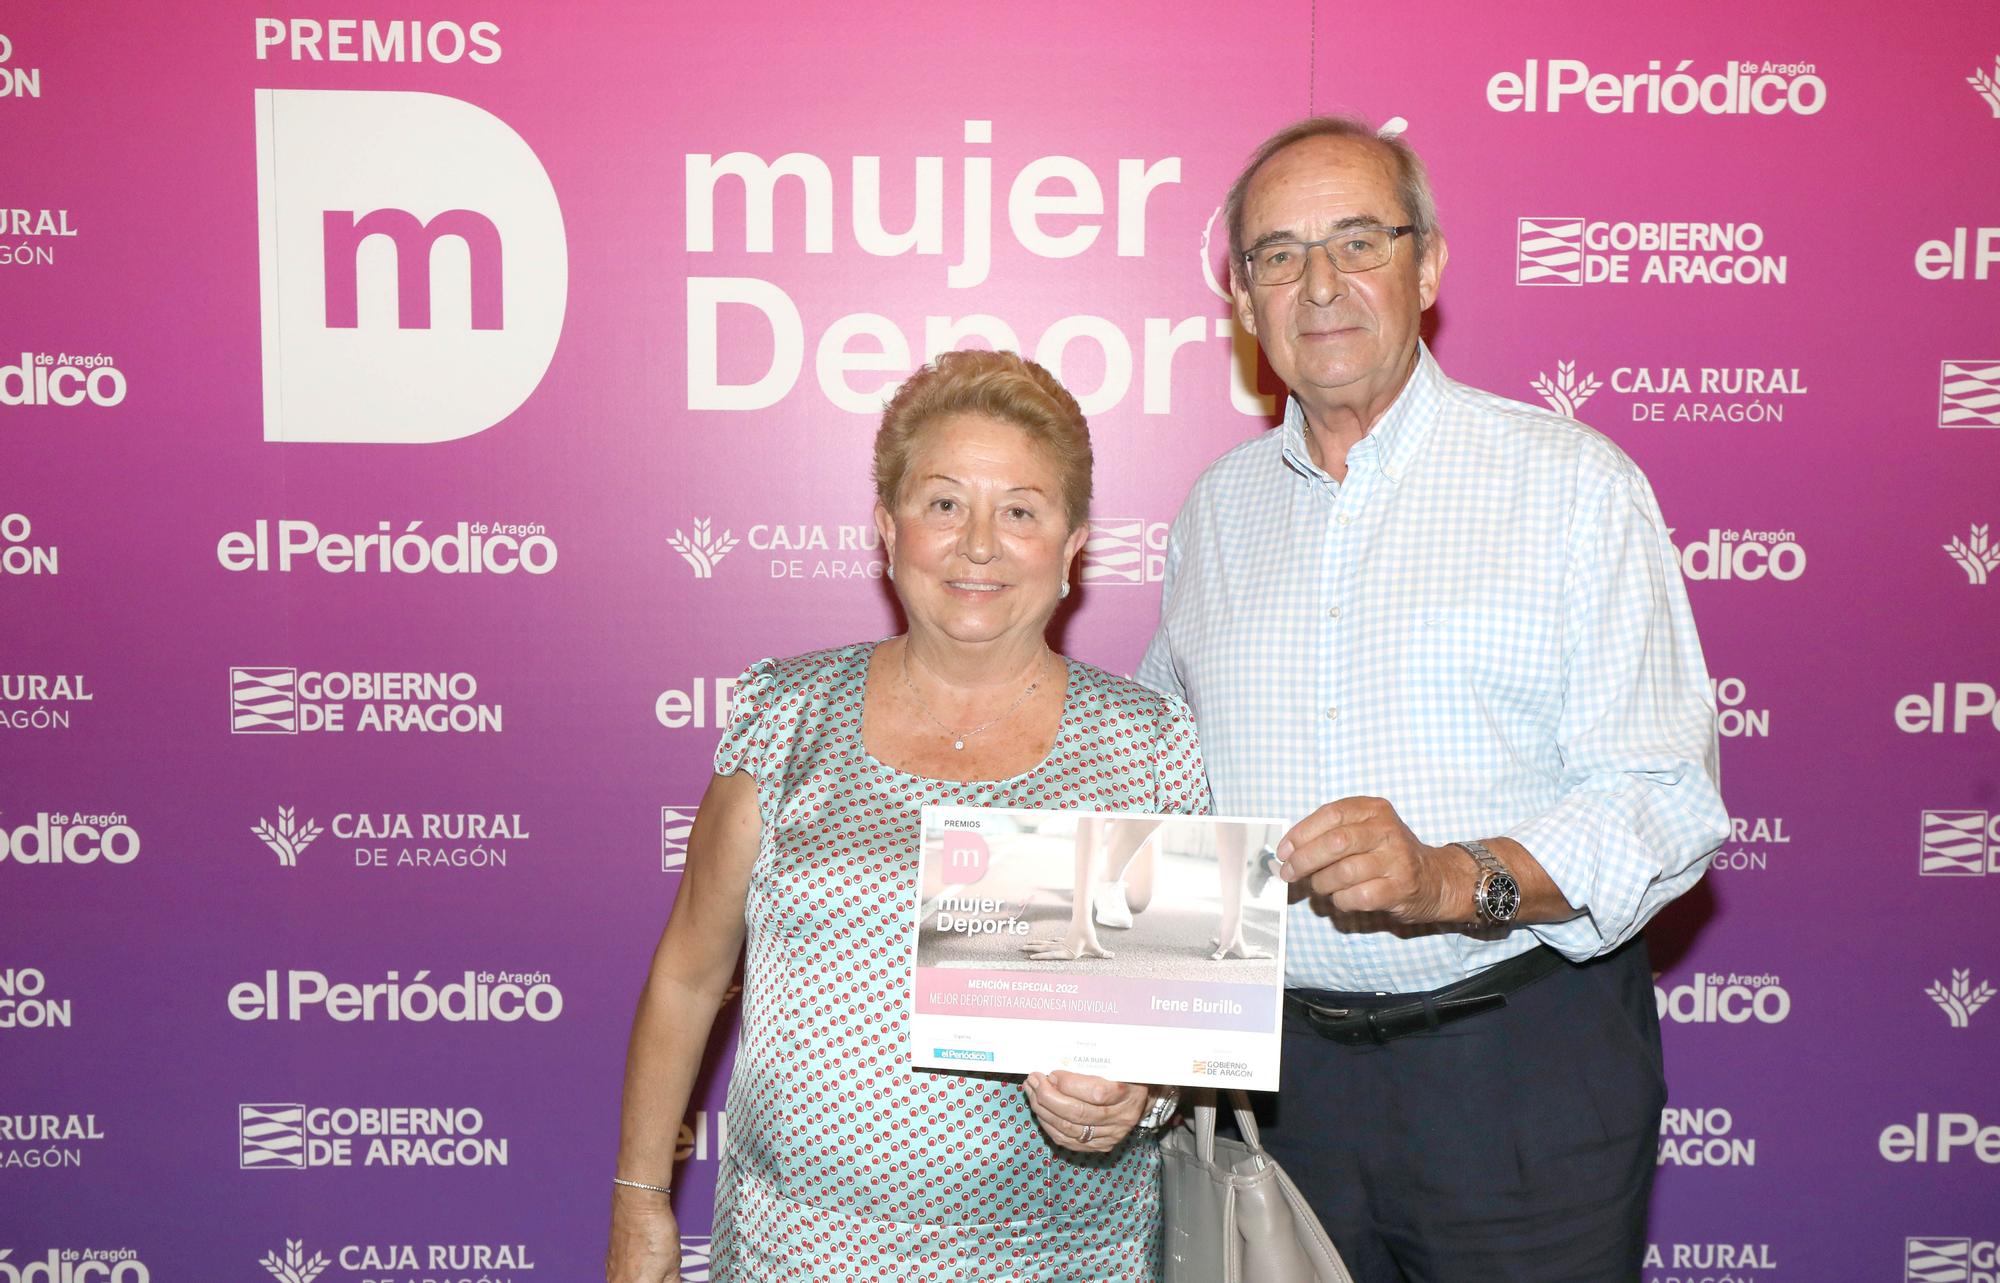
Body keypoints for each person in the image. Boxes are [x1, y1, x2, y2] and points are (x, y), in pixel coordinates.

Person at [1138, 116, 1729, 1280]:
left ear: (1429, 265)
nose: (1318, 284)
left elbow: (1665, 800)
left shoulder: (1569, 484)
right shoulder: (1216, 510)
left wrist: (1451, 875)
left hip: (1515, 1076)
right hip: (1279, 1092)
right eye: (1275, 254)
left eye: (1357, 240)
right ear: (1242, 300)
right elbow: (1166, 780)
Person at [607, 349, 1202, 1283]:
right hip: (797, 1253)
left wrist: (1139, 1093)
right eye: (943, 503)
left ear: (1073, 544)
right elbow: (688, 974)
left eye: (1020, 510)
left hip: (1057, 1260)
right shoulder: (785, 713)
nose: (978, 544)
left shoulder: (1147, 747)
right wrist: (641, 1204)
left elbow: (1179, 1027)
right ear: (887, 529)